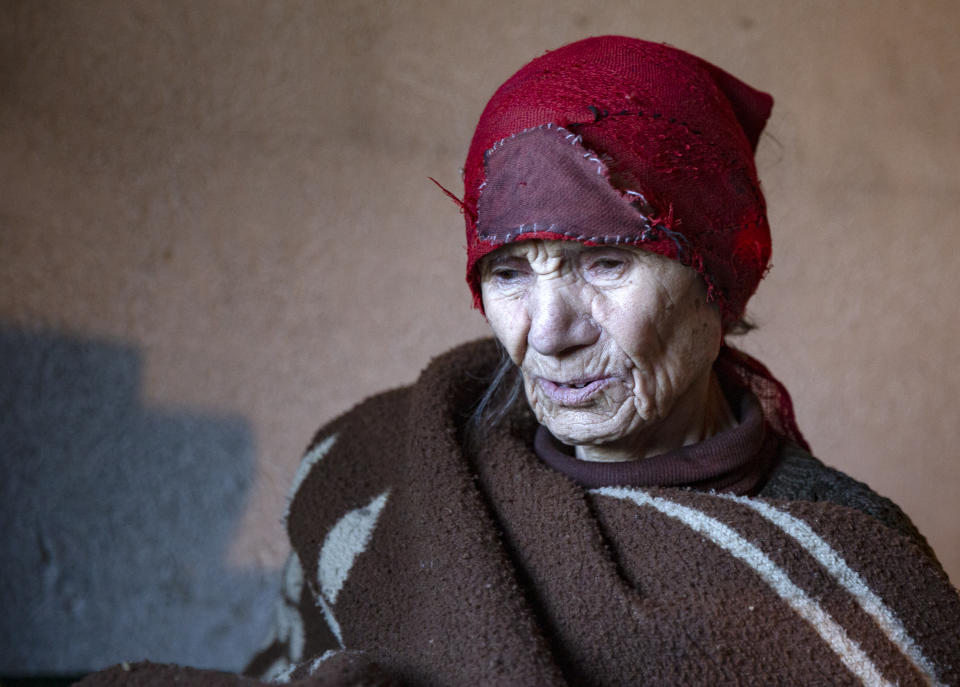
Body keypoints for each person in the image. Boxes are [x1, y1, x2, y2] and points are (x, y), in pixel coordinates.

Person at [79, 35, 960, 687]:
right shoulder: (376, 467)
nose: (547, 330)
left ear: (716, 278)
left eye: (605, 262)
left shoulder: (853, 573)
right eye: (507, 271)